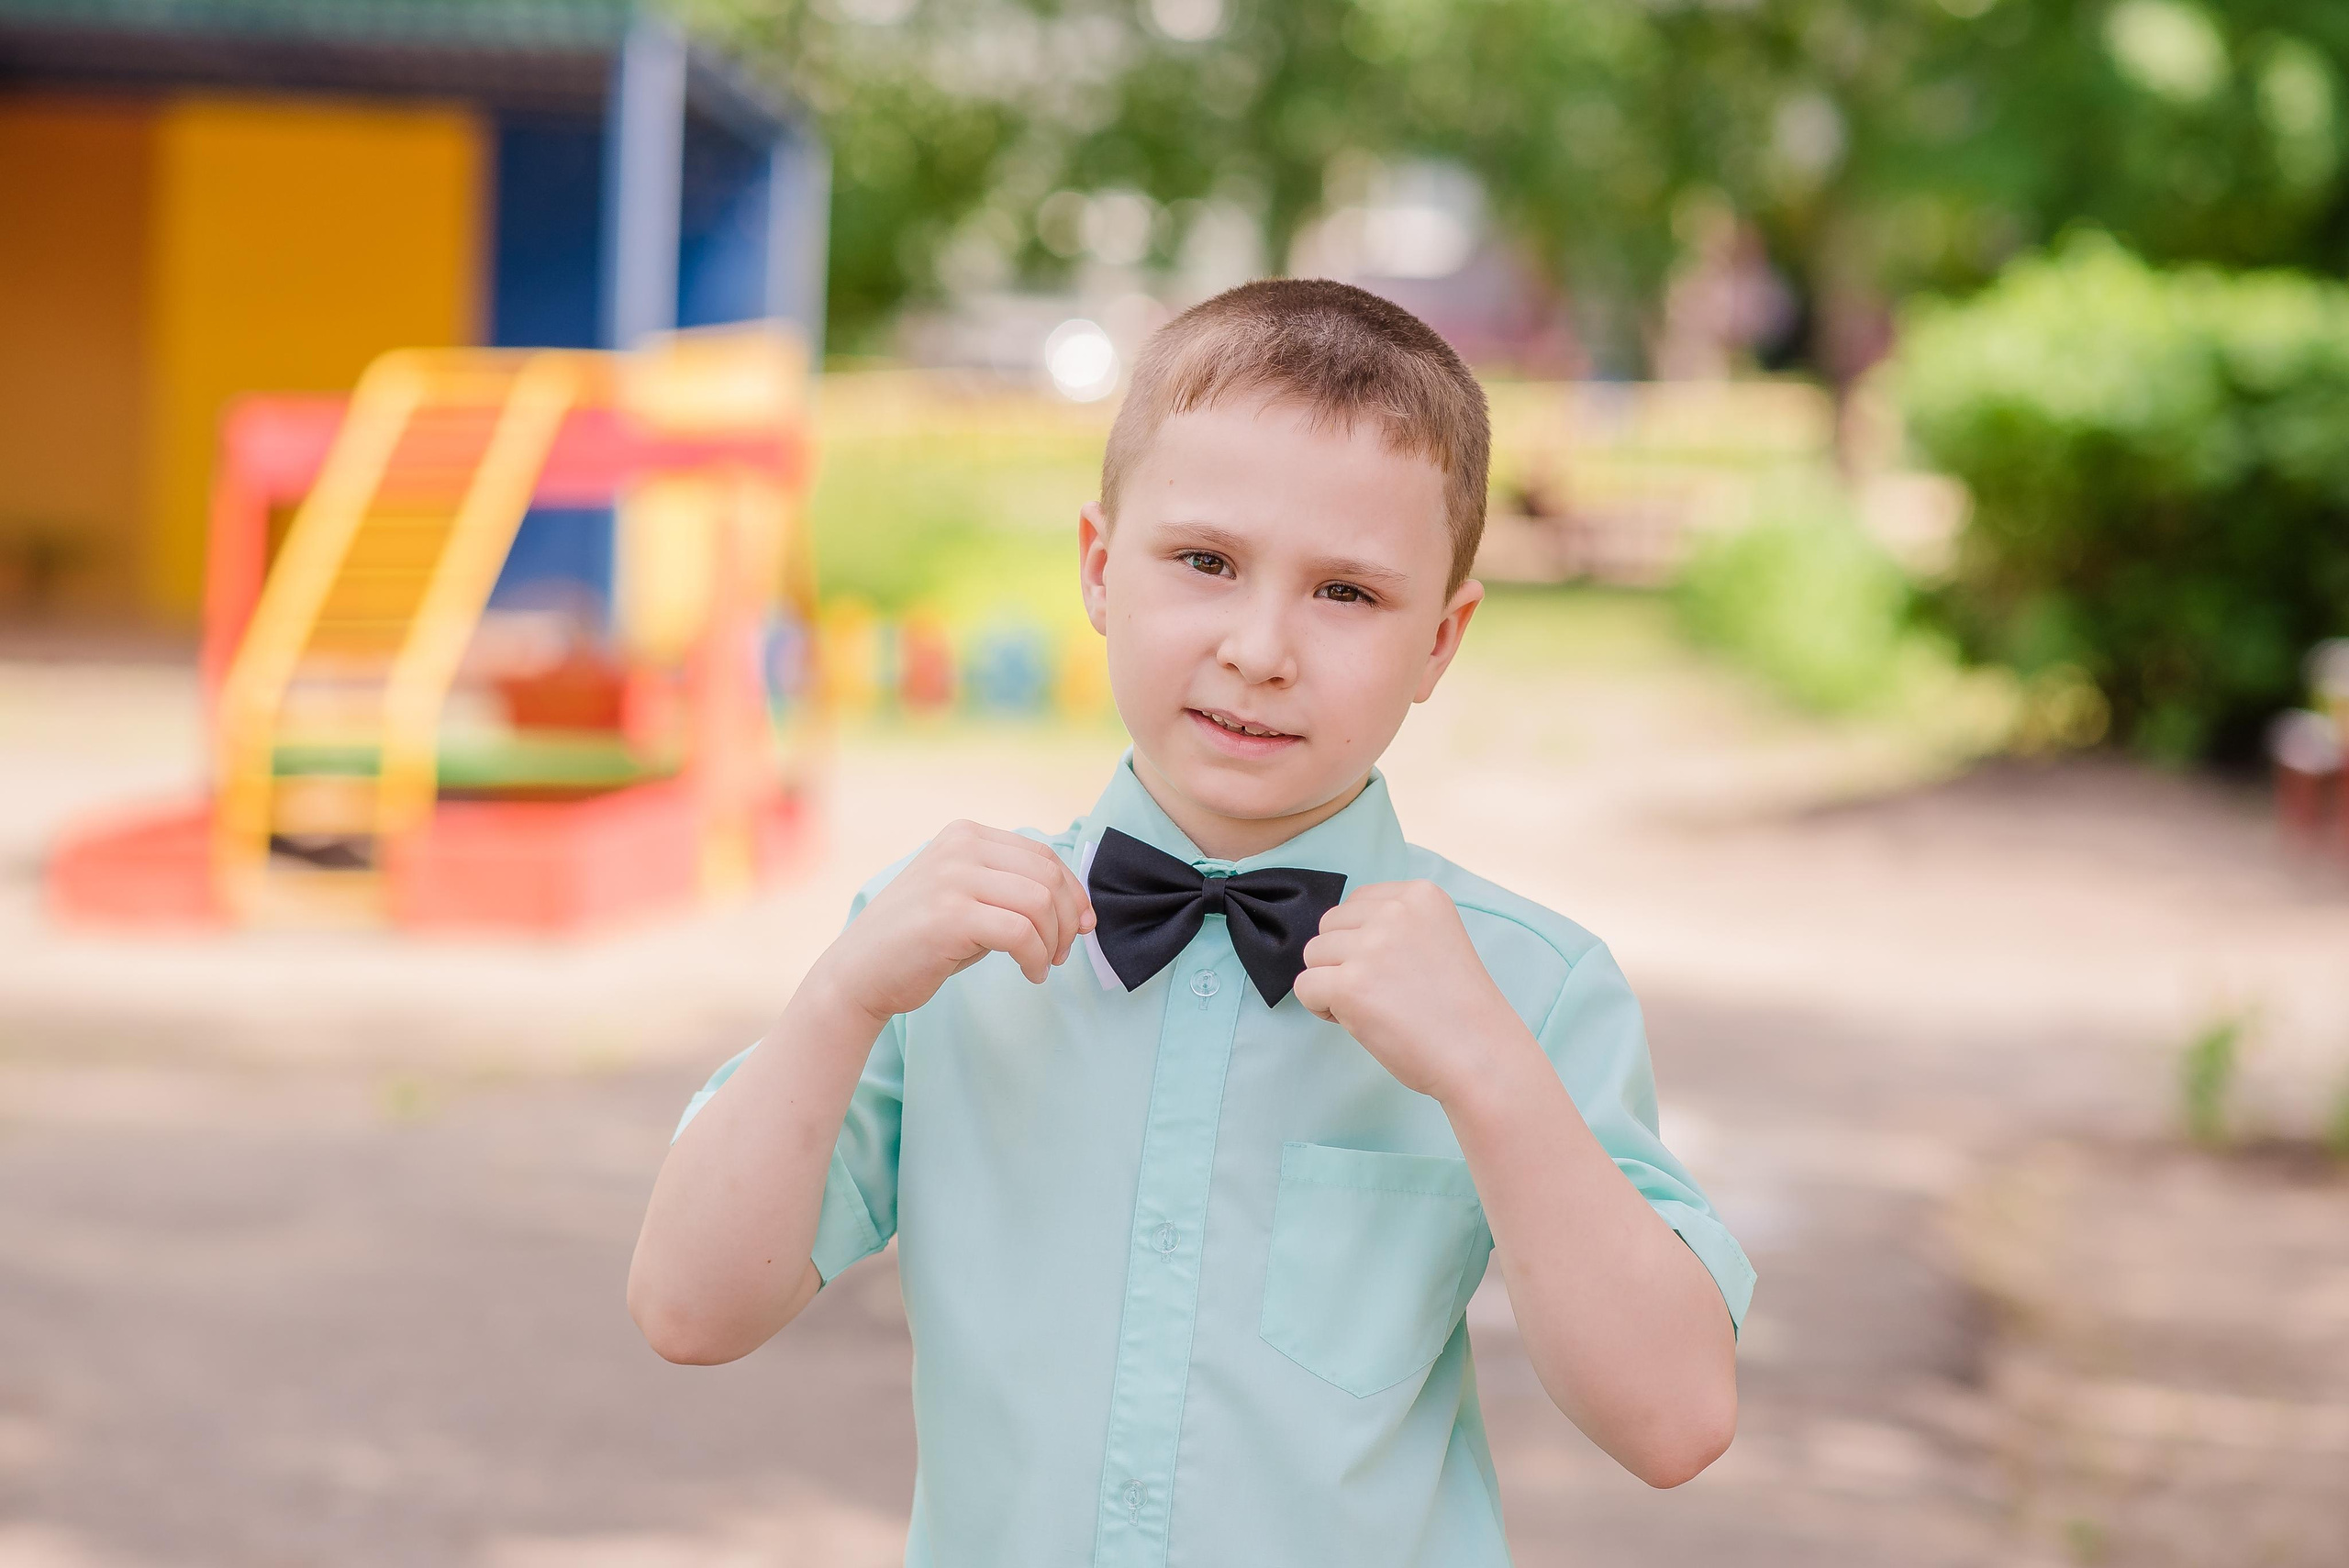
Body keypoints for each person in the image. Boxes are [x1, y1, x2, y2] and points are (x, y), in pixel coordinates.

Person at [627, 278, 1753, 1565]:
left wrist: (1491, 1070)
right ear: (1103, 568)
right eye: (1205, 562)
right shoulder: (933, 949)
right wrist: (838, 999)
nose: (1262, 647)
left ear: (1441, 641)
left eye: (1348, 594)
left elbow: (1675, 1420)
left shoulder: (1528, 985)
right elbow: (686, 1306)